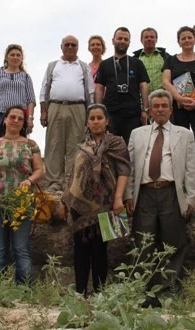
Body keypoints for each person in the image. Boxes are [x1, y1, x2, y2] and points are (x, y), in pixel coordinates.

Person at [124, 89, 195, 308]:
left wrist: (190, 198)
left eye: (164, 105)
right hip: (144, 194)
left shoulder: (184, 134)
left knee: (172, 244)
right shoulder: (137, 133)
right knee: (143, 244)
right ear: (149, 110)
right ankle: (143, 294)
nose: (160, 109)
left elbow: (191, 168)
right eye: (156, 106)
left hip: (171, 193)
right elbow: (130, 167)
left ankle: (167, 294)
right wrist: (128, 194)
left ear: (171, 110)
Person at [59, 104, 130, 297]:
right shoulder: (82, 144)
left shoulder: (117, 143)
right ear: (87, 122)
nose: (96, 121)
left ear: (107, 121)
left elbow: (124, 172)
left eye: (100, 118)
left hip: (107, 205)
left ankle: (100, 297)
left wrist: (118, 199)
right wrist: (64, 200)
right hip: (79, 208)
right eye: (92, 118)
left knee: (101, 252)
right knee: (80, 253)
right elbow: (73, 175)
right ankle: (79, 295)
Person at [0, 106, 43, 285]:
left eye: (20, 119)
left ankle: (24, 292)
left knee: (21, 249)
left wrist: (29, 181)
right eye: (12, 117)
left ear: (23, 123)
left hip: (22, 203)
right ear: (5, 119)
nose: (16, 121)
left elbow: (39, 169)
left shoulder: (30, 145)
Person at [39, 35, 94, 192]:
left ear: (78, 47)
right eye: (67, 44)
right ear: (61, 46)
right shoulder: (53, 66)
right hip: (55, 107)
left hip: (78, 108)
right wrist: (44, 111)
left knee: (75, 145)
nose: (70, 47)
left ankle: (71, 181)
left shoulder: (83, 67)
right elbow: (44, 89)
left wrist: (89, 113)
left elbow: (90, 90)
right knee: (54, 145)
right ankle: (54, 182)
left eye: (73, 45)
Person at [162, 26, 195, 192]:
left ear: (194, 39)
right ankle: (181, 181)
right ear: (178, 41)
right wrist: (178, 97)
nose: (186, 40)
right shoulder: (171, 60)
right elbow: (166, 82)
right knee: (179, 143)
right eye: (183, 38)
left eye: (189, 37)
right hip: (179, 107)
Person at [95, 27, 150, 145]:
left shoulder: (137, 63)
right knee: (109, 146)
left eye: (126, 39)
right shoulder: (105, 64)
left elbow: (144, 86)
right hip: (111, 113)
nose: (122, 41)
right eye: (119, 38)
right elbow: (99, 88)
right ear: (113, 40)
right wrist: (98, 109)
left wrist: (145, 109)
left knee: (133, 147)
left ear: (129, 43)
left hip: (133, 113)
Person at [0, 44, 36, 142]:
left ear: (21, 58)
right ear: (7, 57)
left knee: (19, 142)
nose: (15, 57)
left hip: (19, 116)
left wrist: (30, 118)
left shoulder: (25, 77)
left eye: (18, 55)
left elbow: (31, 100)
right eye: (12, 55)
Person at [133, 27, 171, 93]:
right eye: (146, 37)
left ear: (156, 39)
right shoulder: (135, 59)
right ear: (141, 40)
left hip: (162, 100)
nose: (149, 39)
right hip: (141, 100)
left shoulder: (166, 57)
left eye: (152, 37)